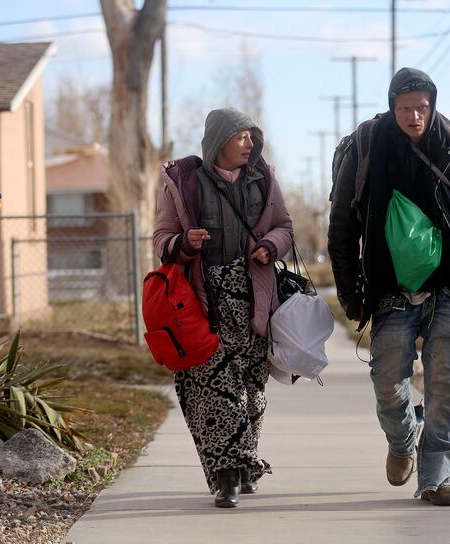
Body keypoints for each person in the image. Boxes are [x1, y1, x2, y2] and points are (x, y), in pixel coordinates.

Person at [327, 67, 450, 506]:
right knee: (387, 384)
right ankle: (402, 441)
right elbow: (341, 225)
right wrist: (349, 293)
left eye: (421, 107)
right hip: (390, 289)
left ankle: (436, 478)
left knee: (443, 388)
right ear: (391, 107)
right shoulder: (368, 145)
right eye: (404, 108)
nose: (414, 116)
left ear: (432, 103)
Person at [153, 108, 293, 508]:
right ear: (219, 142)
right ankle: (226, 476)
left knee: (251, 391)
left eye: (252, 137)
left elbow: (285, 226)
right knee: (215, 386)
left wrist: (269, 247)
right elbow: (161, 237)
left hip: (254, 297)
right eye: (241, 137)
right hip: (203, 300)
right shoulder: (185, 184)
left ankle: (243, 462)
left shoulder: (263, 180)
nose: (250, 144)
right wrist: (184, 243)